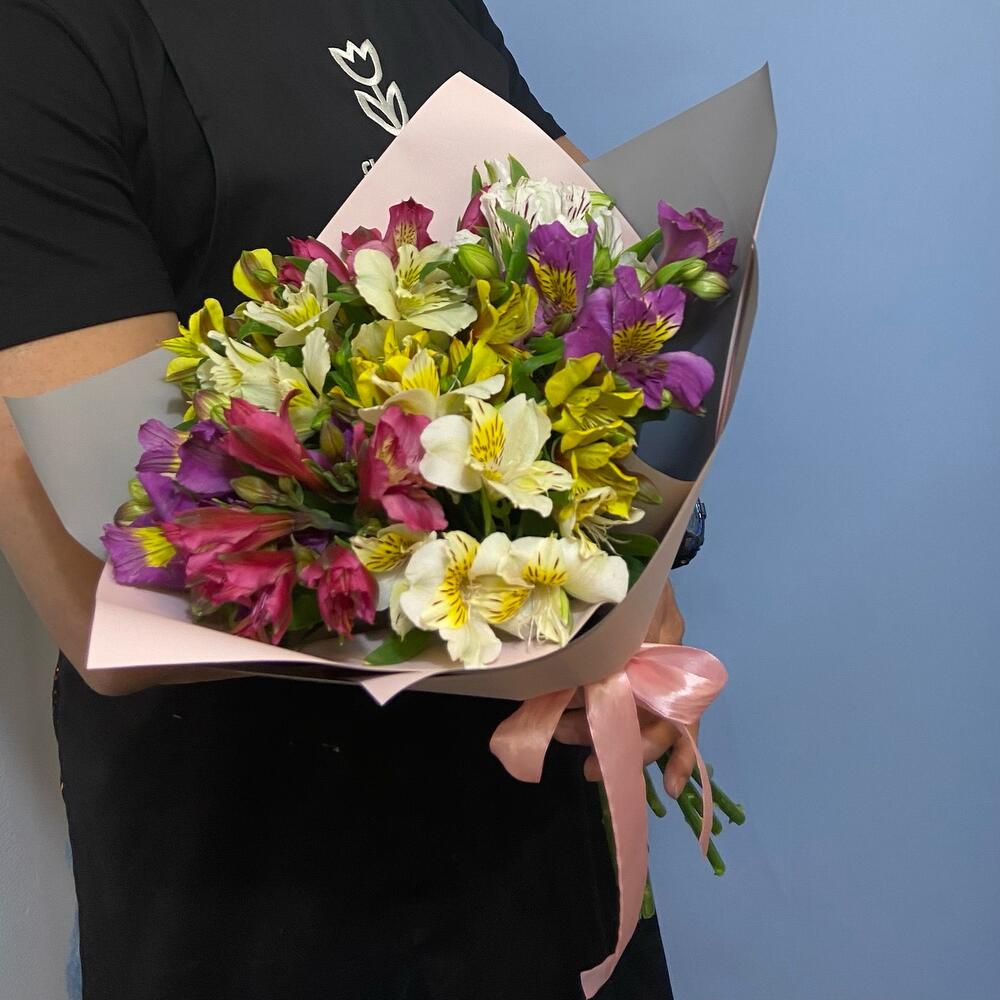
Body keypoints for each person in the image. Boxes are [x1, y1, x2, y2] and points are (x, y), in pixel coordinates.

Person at [0, 1, 700, 996]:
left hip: (535, 840)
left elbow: (596, 279)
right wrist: (544, 590)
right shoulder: (43, 42)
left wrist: (628, 568)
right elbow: (104, 587)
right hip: (268, 885)